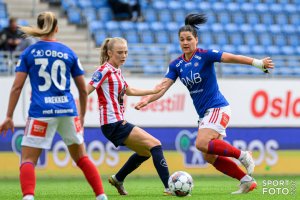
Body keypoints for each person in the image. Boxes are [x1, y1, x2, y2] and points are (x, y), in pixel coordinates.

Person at [135, 14, 275, 194]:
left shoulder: (205, 55)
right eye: (181, 40)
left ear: (196, 40)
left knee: (201, 143)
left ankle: (242, 155)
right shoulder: (176, 64)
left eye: (189, 39)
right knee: (209, 156)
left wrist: (258, 63)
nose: (185, 42)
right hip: (205, 114)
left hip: (217, 107)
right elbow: (162, 87)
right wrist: (148, 98)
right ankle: (246, 180)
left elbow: (232, 57)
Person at [0, 12, 107, 200]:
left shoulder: (28, 53)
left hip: (41, 111)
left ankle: (28, 197)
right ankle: (101, 196)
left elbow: (17, 87)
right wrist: (81, 115)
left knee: (28, 160)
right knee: (82, 158)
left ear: (39, 28)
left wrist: (8, 116)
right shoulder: (68, 52)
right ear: (56, 28)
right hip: (67, 110)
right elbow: (83, 90)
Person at [87, 37, 171, 195]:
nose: (124, 55)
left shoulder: (116, 70)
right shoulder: (104, 70)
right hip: (112, 123)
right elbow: (86, 90)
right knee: (155, 145)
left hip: (116, 122)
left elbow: (128, 90)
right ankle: (169, 186)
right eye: (119, 52)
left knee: (145, 152)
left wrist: (152, 91)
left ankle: (118, 178)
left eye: (126, 52)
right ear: (109, 52)